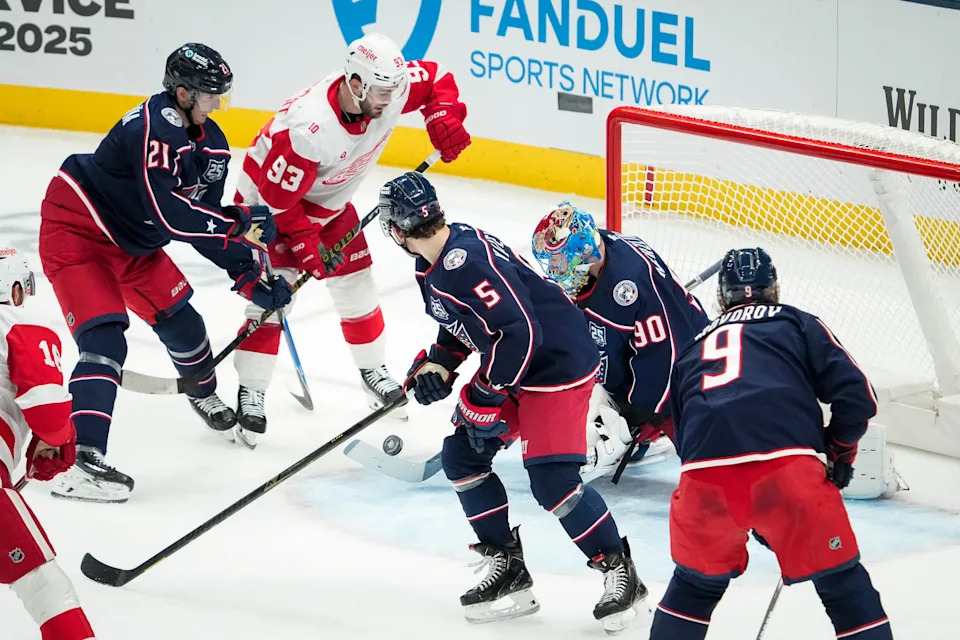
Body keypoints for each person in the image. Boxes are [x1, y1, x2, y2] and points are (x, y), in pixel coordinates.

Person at [380, 172, 648, 634]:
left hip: (557, 368)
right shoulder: (437, 261)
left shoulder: (465, 263)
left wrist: (485, 393)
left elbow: (522, 331)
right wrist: (441, 365)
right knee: (462, 455)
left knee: (553, 482)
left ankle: (621, 572)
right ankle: (508, 569)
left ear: (396, 230)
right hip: (520, 365)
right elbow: (464, 322)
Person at [38, 43, 292, 503]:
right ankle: (80, 460)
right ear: (182, 92)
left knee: (185, 324)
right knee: (104, 338)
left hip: (135, 242)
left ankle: (202, 392)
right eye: (210, 96)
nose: (218, 106)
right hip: (80, 230)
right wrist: (239, 221)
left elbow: (204, 217)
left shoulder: (211, 143)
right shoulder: (155, 126)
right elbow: (173, 215)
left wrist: (247, 273)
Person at [229, 32, 471, 446]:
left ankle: (372, 372)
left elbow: (436, 78)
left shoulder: (384, 87)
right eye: (381, 92)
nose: (391, 100)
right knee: (272, 299)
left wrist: (441, 117)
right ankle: (250, 391)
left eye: (395, 91)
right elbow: (279, 201)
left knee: (358, 286)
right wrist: (307, 248)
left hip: (329, 203)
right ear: (355, 84)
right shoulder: (307, 129)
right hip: (267, 210)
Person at [649, 248, 892, 640]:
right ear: (774, 288)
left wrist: (747, 506)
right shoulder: (797, 323)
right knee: (843, 586)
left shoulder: (692, 347)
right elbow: (858, 396)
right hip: (787, 472)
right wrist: (839, 451)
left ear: (721, 297)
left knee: (693, 589)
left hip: (702, 480)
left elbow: (683, 431)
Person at [532, 203, 709, 482]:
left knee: (707, 464)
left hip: (683, 377)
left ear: (582, 250)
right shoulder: (602, 249)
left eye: (559, 259)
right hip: (648, 357)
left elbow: (665, 356)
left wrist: (639, 412)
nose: (555, 268)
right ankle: (640, 434)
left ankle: (653, 434)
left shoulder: (625, 287)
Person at [0, 247, 97, 639]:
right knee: (47, 589)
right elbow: (51, 415)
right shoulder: (17, 319)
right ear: (17, 290)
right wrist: (58, 440)